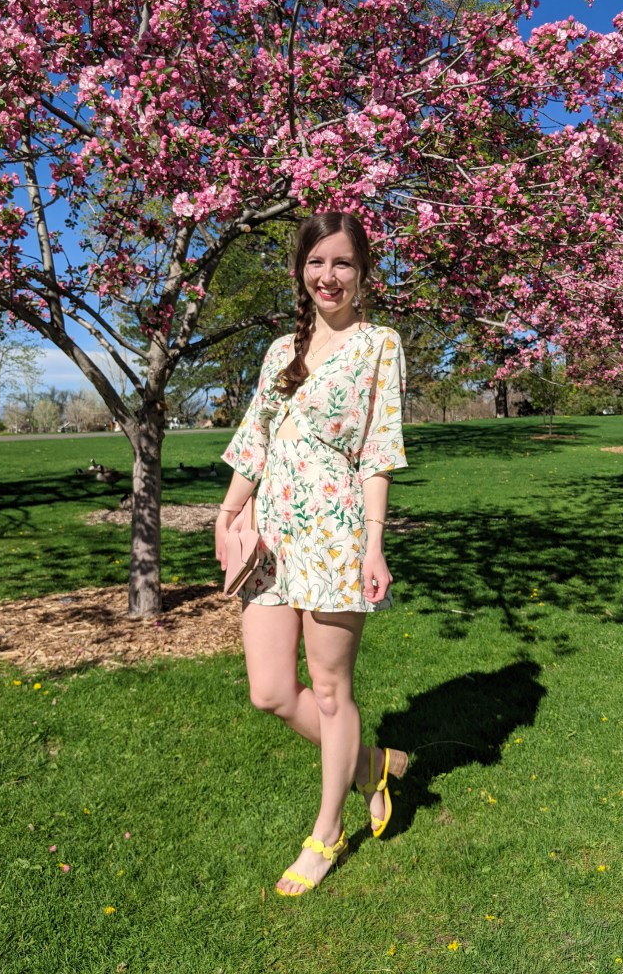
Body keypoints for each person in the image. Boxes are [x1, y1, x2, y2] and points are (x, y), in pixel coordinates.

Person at [215, 211, 409, 897]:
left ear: (362, 274)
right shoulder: (278, 351)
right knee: (270, 691)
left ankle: (326, 833)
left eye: (343, 264)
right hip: (269, 537)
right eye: (317, 262)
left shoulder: (380, 344)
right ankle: (372, 764)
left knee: (331, 693)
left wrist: (375, 546)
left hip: (335, 534)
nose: (329, 276)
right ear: (302, 270)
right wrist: (229, 510)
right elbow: (255, 438)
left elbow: (379, 450)